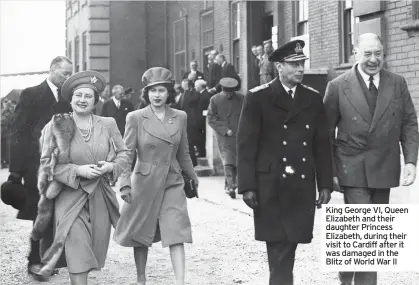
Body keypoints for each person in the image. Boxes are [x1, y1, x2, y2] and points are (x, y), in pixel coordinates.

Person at [323, 33, 419, 285]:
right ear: (355, 54)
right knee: (368, 227)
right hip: (351, 165)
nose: (373, 59)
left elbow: (409, 122)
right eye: (367, 54)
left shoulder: (397, 83)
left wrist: (410, 161)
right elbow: (324, 134)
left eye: (378, 53)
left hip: (384, 166)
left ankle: (346, 268)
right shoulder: (337, 86)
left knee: (369, 231)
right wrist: (330, 171)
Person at [237, 40, 333, 285]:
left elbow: (321, 145)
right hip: (270, 184)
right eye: (293, 65)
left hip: (300, 184)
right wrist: (247, 186)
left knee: (289, 245)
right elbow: (246, 145)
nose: (300, 69)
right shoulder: (258, 98)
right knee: (279, 246)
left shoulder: (312, 99)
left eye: (302, 64)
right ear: (278, 66)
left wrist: (324, 183)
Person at [30, 70, 129, 284]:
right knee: (77, 250)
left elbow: (124, 153)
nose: (82, 100)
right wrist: (77, 170)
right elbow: (47, 165)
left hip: (100, 197)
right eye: (78, 95)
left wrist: (110, 166)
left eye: (88, 96)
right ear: (71, 98)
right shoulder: (56, 125)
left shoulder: (108, 123)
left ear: (95, 100)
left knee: (93, 250)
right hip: (69, 197)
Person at [114, 67, 198, 285]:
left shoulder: (180, 117)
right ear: (147, 93)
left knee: (175, 230)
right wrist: (124, 184)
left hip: (172, 180)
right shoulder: (135, 118)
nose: (157, 95)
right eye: (153, 91)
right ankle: (141, 278)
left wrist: (192, 176)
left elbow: (184, 152)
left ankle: (180, 281)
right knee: (141, 232)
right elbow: (126, 153)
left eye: (162, 90)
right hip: (144, 182)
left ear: (169, 92)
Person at [7, 56, 73, 279]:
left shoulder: (69, 97)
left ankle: (50, 257)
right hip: (37, 165)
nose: (67, 78)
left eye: (69, 74)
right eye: (65, 73)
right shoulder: (31, 94)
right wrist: (16, 171)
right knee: (39, 210)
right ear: (52, 70)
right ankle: (34, 257)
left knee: (59, 210)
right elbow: (18, 132)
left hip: (63, 165)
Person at [207, 77, 244, 199]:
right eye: (227, 92)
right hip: (224, 137)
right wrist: (224, 130)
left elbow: (247, 114)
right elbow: (211, 118)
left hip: (239, 135)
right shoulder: (215, 99)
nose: (229, 94)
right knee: (228, 162)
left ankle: (229, 184)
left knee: (237, 162)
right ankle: (231, 186)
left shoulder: (241, 98)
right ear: (222, 89)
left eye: (231, 92)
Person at [179, 78, 202, 165]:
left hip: (191, 121)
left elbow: (192, 101)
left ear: (188, 84)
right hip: (185, 120)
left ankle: (193, 161)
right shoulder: (183, 94)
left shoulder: (194, 93)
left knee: (190, 141)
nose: (182, 85)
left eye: (184, 84)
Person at [194, 79, 212, 157]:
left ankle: (202, 154)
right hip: (202, 120)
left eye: (196, 86)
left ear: (199, 87)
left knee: (201, 137)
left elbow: (204, 109)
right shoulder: (204, 94)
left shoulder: (205, 95)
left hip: (202, 121)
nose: (195, 88)